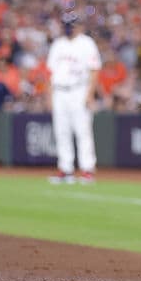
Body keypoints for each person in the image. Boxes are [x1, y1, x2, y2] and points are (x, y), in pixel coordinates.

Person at [46, 11, 102, 184]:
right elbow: (50, 72)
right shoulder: (58, 44)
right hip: (59, 91)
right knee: (61, 132)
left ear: (79, 26)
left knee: (82, 131)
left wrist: (89, 95)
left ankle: (87, 169)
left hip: (79, 90)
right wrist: (49, 96)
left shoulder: (86, 43)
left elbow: (94, 71)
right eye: (66, 25)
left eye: (71, 25)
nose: (69, 28)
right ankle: (66, 169)